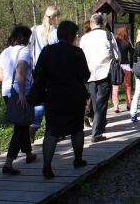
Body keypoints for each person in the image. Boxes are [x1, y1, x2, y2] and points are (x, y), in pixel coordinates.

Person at [33, 21, 91, 179]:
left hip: (53, 96)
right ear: (72, 36)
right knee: (77, 129)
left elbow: (38, 73)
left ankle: (46, 166)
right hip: (74, 96)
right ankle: (78, 160)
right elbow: (85, 75)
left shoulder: (46, 51)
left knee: (51, 131)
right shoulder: (77, 52)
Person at [0, 25, 37, 175]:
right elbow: (20, 71)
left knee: (22, 123)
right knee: (20, 128)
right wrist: (21, 93)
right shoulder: (24, 51)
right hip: (19, 92)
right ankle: (8, 163)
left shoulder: (5, 52)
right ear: (26, 38)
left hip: (6, 93)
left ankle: (28, 154)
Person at [79, 13, 120, 143]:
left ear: (91, 23)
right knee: (101, 103)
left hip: (89, 74)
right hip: (104, 72)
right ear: (101, 23)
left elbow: (80, 56)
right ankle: (97, 132)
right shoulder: (108, 35)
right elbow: (117, 55)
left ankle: (98, 127)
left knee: (96, 102)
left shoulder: (84, 38)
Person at [29, 5, 61, 143]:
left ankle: (33, 125)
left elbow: (29, 48)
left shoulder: (34, 29)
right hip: (52, 71)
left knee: (39, 99)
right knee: (53, 102)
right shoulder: (56, 33)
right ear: (55, 17)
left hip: (37, 70)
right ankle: (52, 132)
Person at [111, 27, 134, 112]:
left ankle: (116, 107)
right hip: (126, 66)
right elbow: (133, 52)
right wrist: (131, 43)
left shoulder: (115, 42)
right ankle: (129, 105)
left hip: (117, 66)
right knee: (127, 86)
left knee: (115, 86)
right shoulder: (127, 42)